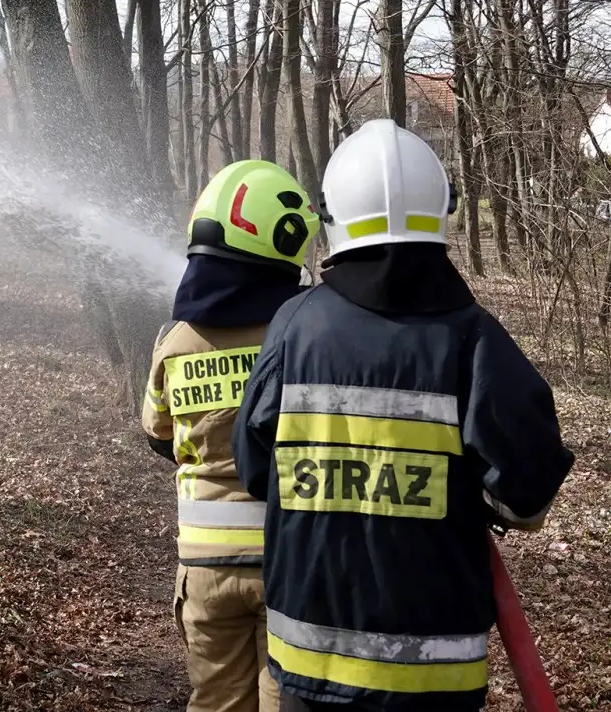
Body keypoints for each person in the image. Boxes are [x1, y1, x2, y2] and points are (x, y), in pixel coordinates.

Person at [230, 119, 575, 712]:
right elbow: (527, 496)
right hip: (434, 680)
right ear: (441, 214)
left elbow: (255, 468)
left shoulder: (293, 327)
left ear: (332, 218)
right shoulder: (475, 340)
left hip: (312, 666)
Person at [142, 159, 319, 712]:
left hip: (204, 569)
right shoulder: (301, 335)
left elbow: (157, 433)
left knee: (216, 700)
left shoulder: (175, 340)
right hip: (286, 562)